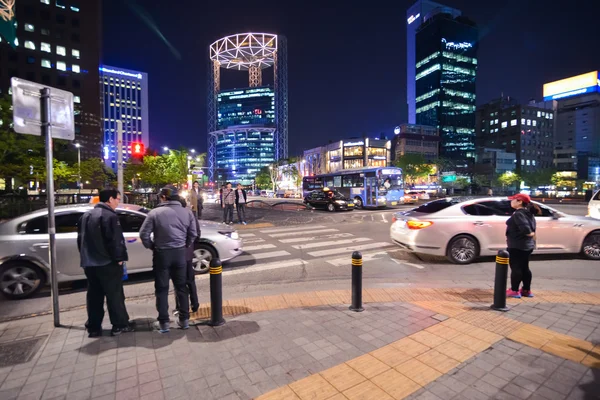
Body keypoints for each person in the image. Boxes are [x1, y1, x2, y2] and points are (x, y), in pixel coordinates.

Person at [139, 186, 198, 332]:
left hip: (161, 254)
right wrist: (185, 244)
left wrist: (152, 246)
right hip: (180, 254)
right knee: (181, 287)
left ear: (164, 197)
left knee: (162, 288)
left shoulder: (155, 213)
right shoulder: (187, 212)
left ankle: (164, 322)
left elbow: (143, 234)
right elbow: (193, 233)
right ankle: (184, 320)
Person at [77, 188, 133, 337]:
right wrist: (119, 259)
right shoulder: (109, 216)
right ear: (110, 199)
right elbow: (115, 241)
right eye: (118, 199)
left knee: (94, 295)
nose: (118, 202)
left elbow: (80, 240)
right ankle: (120, 325)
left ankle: (94, 327)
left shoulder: (86, 215)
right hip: (107, 263)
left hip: (89, 263)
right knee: (114, 295)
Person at [505, 193, 537, 299]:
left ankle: (514, 290)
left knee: (516, 268)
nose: (511, 201)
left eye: (513, 200)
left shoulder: (519, 214)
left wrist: (530, 233)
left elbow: (526, 230)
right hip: (527, 246)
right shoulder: (528, 213)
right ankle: (526, 290)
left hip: (517, 246)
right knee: (525, 268)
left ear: (520, 202)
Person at [173, 196, 200, 315]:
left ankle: (181, 307)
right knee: (190, 280)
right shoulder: (189, 214)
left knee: (179, 282)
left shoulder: (172, 214)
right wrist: (190, 245)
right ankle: (194, 304)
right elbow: (196, 233)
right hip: (188, 253)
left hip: (177, 253)